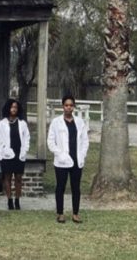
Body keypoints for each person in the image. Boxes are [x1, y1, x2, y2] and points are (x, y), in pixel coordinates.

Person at [47, 95, 89, 224]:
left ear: (74, 107)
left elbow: (84, 140)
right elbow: (50, 141)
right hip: (62, 161)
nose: (69, 107)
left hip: (76, 160)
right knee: (61, 187)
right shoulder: (56, 122)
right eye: (66, 105)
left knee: (76, 187)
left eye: (71, 105)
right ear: (63, 107)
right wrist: (59, 154)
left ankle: (75, 214)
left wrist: (82, 154)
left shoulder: (80, 122)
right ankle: (60, 213)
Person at [0, 99, 30, 210]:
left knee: (18, 178)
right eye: (11, 107)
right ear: (8, 108)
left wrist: (24, 150)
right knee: (7, 177)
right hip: (6, 153)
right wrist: (4, 150)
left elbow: (27, 138)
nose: (13, 109)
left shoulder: (22, 123)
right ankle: (9, 200)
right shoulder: (2, 123)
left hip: (19, 153)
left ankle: (17, 200)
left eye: (15, 107)